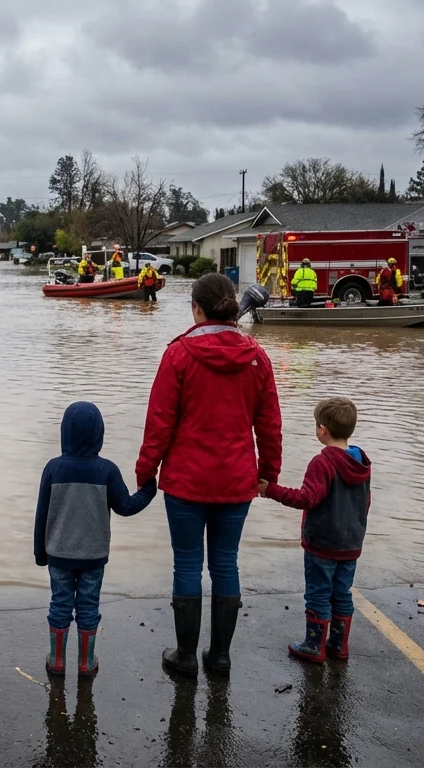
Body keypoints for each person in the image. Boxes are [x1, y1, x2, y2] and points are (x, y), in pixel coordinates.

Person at [136, 273, 283, 678]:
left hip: (185, 482)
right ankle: (220, 658)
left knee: (186, 565)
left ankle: (185, 657)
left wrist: (145, 472)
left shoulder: (178, 355)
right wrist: (268, 473)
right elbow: (269, 425)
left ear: (196, 309)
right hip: (237, 481)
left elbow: (159, 424)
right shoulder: (257, 357)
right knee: (225, 563)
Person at [36, 402, 157, 677]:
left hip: (58, 553)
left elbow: (41, 514)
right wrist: (149, 490)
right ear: (99, 434)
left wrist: (40, 553)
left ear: (64, 432)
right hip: (93, 556)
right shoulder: (107, 470)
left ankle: (56, 661)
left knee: (60, 603)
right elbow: (126, 506)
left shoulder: (53, 468)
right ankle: (86, 664)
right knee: (89, 606)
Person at [260, 398, 371, 664]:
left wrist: (270, 490)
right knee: (342, 592)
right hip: (351, 542)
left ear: (322, 429)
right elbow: (365, 502)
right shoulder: (361, 461)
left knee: (318, 593)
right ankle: (338, 645)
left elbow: (307, 498)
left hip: (323, 542)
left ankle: (314, 646)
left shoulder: (322, 463)